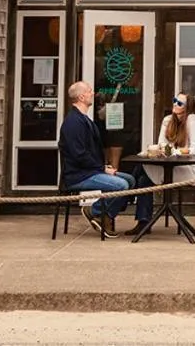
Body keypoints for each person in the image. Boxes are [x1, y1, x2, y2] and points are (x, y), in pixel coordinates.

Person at [59, 80, 139, 238]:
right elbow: (79, 155)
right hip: (78, 175)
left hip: (90, 171)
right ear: (81, 97)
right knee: (122, 185)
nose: (93, 93)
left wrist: (103, 167)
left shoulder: (85, 119)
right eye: (89, 91)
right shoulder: (73, 123)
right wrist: (102, 169)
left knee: (130, 180)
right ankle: (95, 211)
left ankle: (104, 216)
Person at [139, 93, 195, 187]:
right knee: (143, 177)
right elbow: (162, 143)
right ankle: (127, 195)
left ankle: (125, 195)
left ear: (187, 108)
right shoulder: (167, 120)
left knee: (141, 173)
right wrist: (166, 151)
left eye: (179, 103)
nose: (175, 104)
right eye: (175, 100)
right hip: (171, 165)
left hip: (190, 168)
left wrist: (175, 151)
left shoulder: (191, 120)